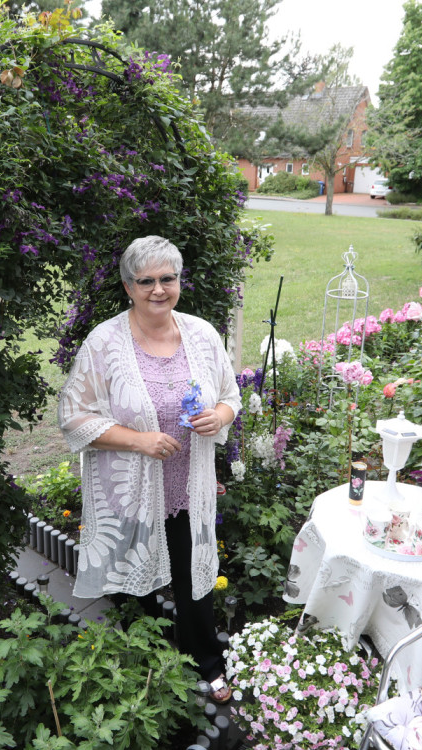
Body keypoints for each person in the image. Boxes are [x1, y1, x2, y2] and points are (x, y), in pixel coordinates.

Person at [58, 235, 241, 702]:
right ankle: (150, 668)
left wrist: (218, 417)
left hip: (188, 486)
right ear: (128, 287)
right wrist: (140, 440)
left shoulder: (201, 335)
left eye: (167, 278)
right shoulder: (104, 343)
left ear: (179, 281)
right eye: (146, 281)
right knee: (136, 583)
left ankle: (206, 663)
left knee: (194, 580)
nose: (158, 289)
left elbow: (230, 395)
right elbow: (73, 417)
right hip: (131, 488)